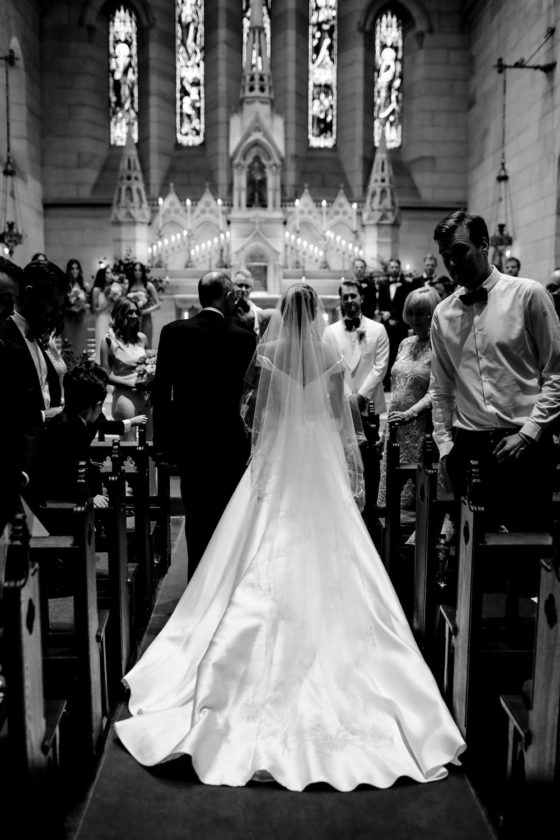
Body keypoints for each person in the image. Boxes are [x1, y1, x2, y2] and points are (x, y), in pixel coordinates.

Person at [115, 282, 465, 789]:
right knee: (337, 553)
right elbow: (338, 417)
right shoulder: (328, 352)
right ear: (317, 312)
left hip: (279, 460)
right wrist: (348, 466)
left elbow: (252, 413)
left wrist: (266, 442)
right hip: (318, 462)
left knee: (258, 547)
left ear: (282, 312)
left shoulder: (268, 351)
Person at [431, 209, 560, 531]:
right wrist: (446, 446)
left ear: (485, 244)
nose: (451, 263)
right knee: (471, 561)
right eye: (445, 255)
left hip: (524, 445)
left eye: (459, 251)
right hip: (469, 447)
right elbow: (441, 389)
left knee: (527, 552)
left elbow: (556, 374)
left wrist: (529, 433)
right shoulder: (442, 314)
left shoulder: (529, 295)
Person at [151, 270, 256, 578]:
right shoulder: (244, 337)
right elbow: (249, 397)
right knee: (228, 519)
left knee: (197, 521)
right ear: (227, 297)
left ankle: (197, 586)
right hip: (230, 442)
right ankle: (225, 586)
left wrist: (162, 444)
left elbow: (161, 391)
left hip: (190, 443)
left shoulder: (173, 332)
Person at [323, 279, 389, 533]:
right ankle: (343, 512)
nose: (350, 301)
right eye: (345, 297)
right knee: (342, 462)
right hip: (339, 408)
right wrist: (346, 399)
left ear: (361, 298)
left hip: (368, 405)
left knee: (370, 462)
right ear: (340, 300)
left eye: (354, 296)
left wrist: (359, 397)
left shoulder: (378, 329)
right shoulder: (330, 332)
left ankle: (369, 513)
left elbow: (380, 367)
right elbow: (330, 368)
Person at [34, 361, 147, 507]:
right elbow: (61, 472)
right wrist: (89, 498)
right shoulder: (66, 427)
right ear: (97, 404)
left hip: (70, 487)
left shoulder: (73, 419)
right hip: (57, 495)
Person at [378, 287, 446, 511]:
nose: (415, 319)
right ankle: (393, 540)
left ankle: (420, 538)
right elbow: (399, 385)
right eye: (412, 313)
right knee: (393, 495)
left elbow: (437, 390)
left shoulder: (441, 345)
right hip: (397, 426)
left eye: (422, 313)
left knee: (419, 494)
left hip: (422, 427)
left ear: (433, 313)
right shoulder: (405, 344)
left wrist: (411, 413)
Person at [100, 297, 152, 442]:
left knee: (150, 444)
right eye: (130, 312)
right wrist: (131, 385)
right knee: (129, 446)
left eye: (136, 312)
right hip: (125, 396)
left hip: (146, 396)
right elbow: (105, 375)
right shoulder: (108, 341)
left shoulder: (142, 338)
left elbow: (150, 364)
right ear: (120, 315)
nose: (135, 316)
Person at [376, 257, 409, 388]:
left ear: (399, 269)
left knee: (400, 354)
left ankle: (399, 383)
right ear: (388, 269)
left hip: (400, 324)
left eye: (396, 267)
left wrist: (395, 316)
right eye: (392, 267)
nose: (394, 269)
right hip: (386, 325)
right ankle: (385, 382)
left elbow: (404, 304)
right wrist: (388, 317)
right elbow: (382, 303)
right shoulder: (383, 285)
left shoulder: (406, 285)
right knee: (385, 353)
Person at [126, 261, 161, 347]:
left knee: (146, 341)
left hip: (145, 317)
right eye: (135, 270)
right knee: (132, 343)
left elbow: (158, 304)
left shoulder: (149, 286)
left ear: (143, 272)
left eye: (139, 270)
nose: (137, 272)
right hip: (132, 318)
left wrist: (145, 311)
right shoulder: (128, 285)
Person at [92, 265, 122, 362]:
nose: (110, 275)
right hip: (101, 318)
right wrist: (108, 301)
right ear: (102, 275)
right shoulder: (97, 290)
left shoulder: (115, 288)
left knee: (114, 344)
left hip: (112, 318)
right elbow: (94, 310)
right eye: (107, 273)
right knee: (102, 343)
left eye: (111, 273)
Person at [62, 258, 90, 357]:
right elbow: (63, 303)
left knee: (81, 344)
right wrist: (70, 305)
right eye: (72, 268)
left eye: (77, 268)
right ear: (69, 270)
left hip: (81, 318)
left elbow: (87, 300)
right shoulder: (65, 285)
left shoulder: (84, 285)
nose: (75, 270)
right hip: (69, 318)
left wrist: (82, 305)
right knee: (69, 345)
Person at [233, 268, 261, 335]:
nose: (243, 290)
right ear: (232, 286)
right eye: (240, 285)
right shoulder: (224, 309)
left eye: (247, 286)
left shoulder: (258, 312)